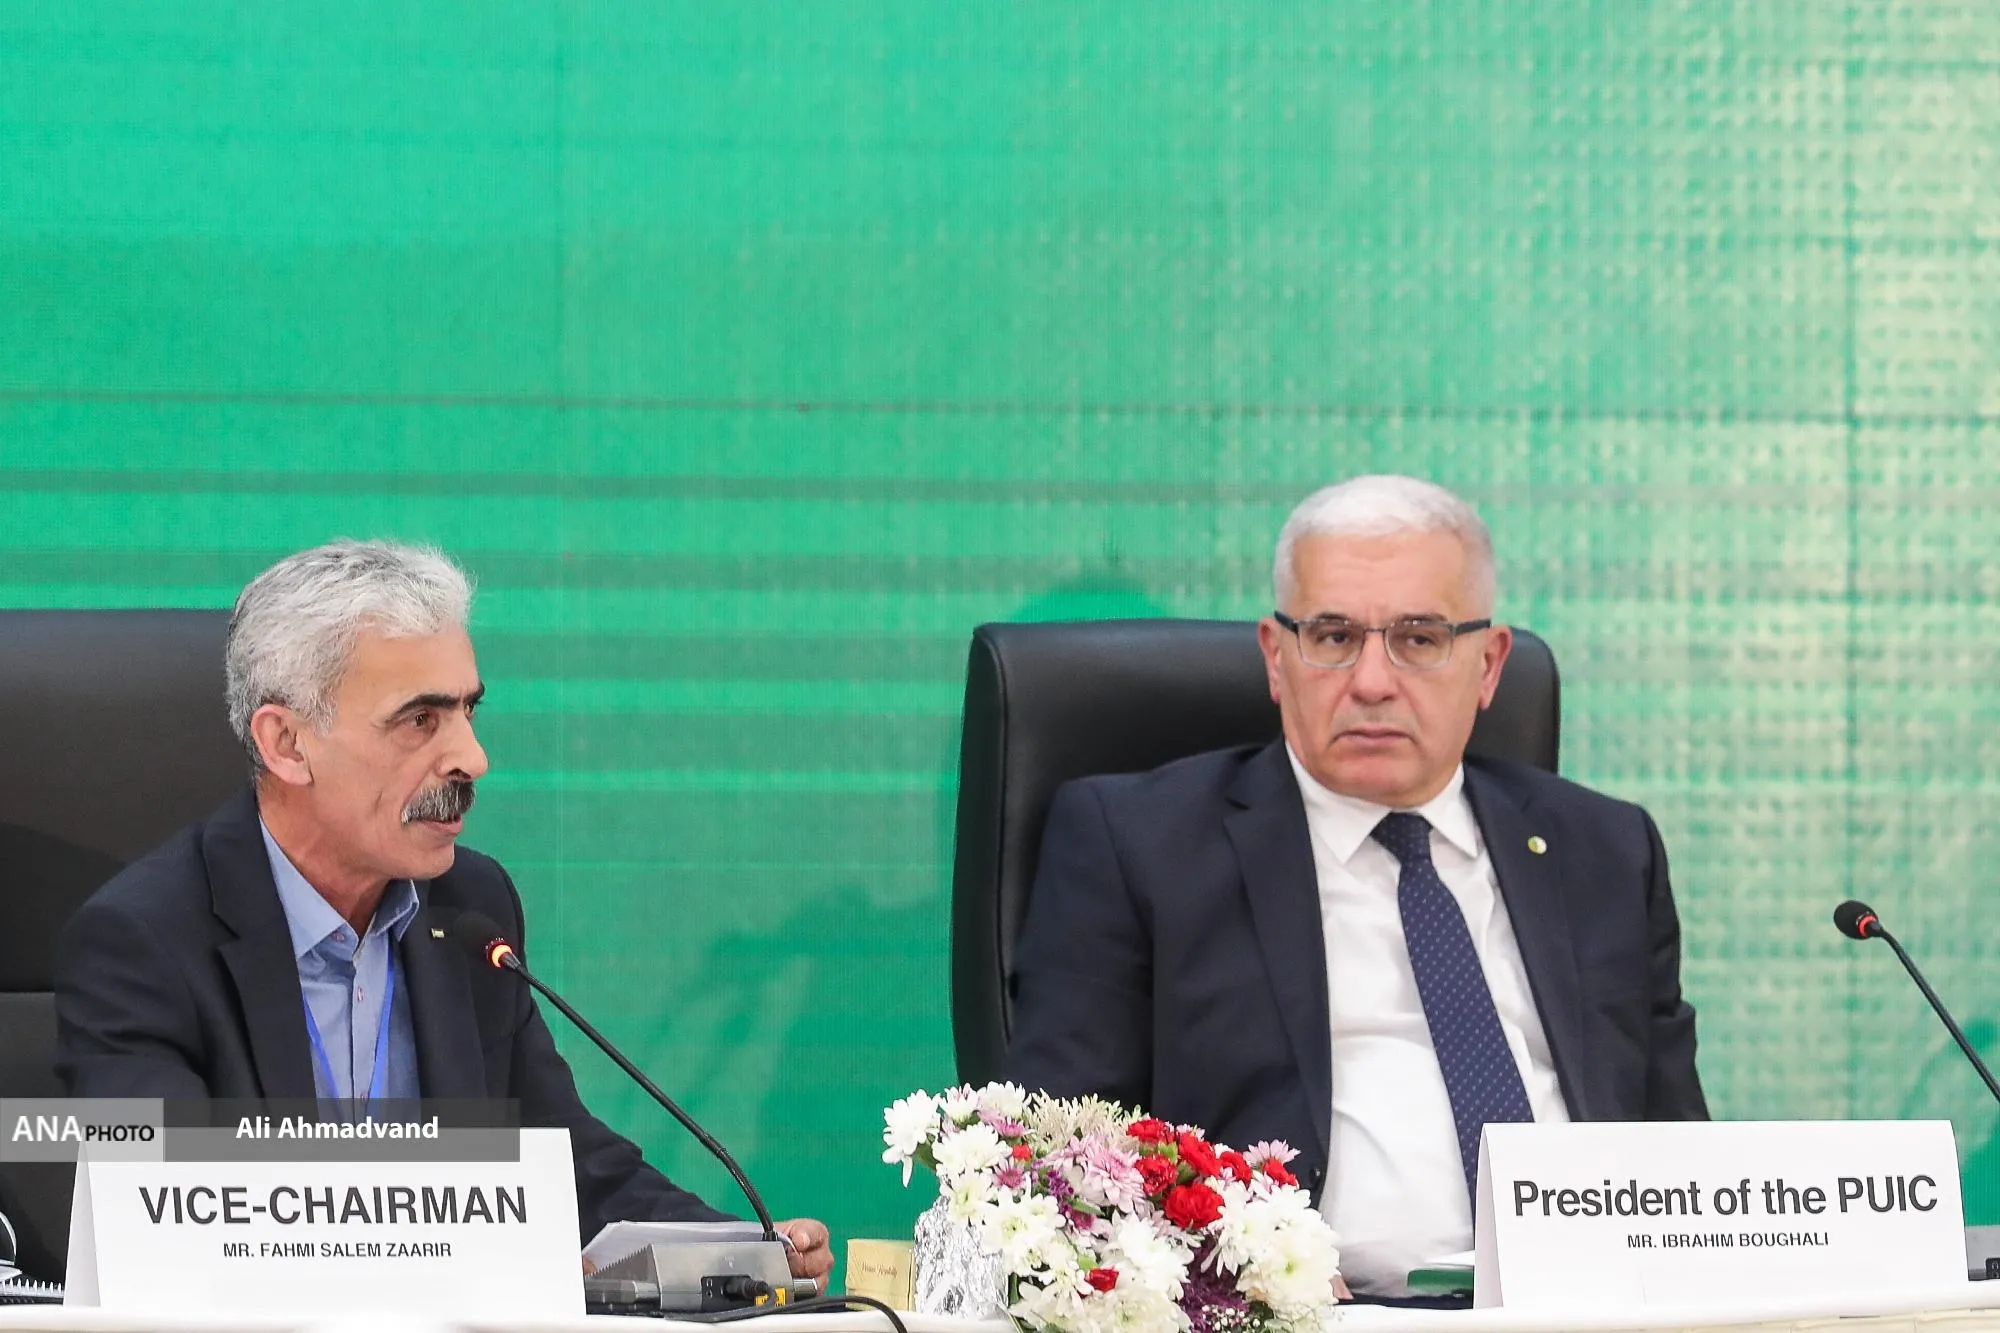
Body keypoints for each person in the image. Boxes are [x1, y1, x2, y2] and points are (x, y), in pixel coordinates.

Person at [1004, 475, 1705, 1298]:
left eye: (1419, 638)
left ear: (1488, 664)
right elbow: (1065, 1165)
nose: (1372, 680)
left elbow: (1681, 1157)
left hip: (1586, 1308)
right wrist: (1246, 1284)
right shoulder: (1139, 845)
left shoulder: (1605, 851)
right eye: (1333, 636)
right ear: (1277, 657)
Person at [53, 540, 833, 1280]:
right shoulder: (144, 942)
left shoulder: (470, 910)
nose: (472, 758)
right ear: (287, 744)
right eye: (420, 719)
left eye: (468, 712)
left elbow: (571, 1170)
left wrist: (744, 1253)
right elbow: (171, 1225)